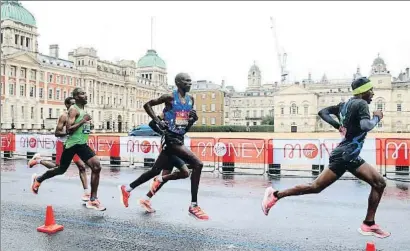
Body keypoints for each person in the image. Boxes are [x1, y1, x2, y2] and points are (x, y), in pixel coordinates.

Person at [261, 77, 390, 238]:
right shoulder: (362, 104)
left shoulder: (345, 105)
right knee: (316, 187)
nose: (373, 93)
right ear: (363, 91)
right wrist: (377, 117)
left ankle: (369, 224)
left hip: (348, 154)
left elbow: (323, 112)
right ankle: (274, 195)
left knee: (378, 183)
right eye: (370, 90)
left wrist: (337, 125)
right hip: (345, 156)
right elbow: (366, 126)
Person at [119, 72, 208, 220]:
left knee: (155, 171)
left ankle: (128, 189)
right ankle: (193, 205)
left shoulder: (190, 100)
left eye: (190, 81)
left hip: (179, 139)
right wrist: (159, 123)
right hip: (170, 141)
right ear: (178, 83)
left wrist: (192, 121)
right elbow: (147, 105)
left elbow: (184, 129)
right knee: (197, 164)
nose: (189, 83)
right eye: (186, 81)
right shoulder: (169, 97)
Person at [31, 88, 106, 211]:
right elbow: (69, 129)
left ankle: (93, 199)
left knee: (96, 166)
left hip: (81, 144)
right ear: (76, 97)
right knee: (60, 169)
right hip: (72, 145)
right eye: (82, 93)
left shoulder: (82, 110)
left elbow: (80, 128)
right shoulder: (73, 109)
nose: (86, 95)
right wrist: (83, 121)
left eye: (85, 93)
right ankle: (39, 178)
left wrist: (86, 125)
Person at [118, 104, 197, 213]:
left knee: (160, 174)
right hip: (169, 148)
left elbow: (182, 132)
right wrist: (163, 132)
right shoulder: (169, 113)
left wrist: (191, 121)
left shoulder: (183, 116)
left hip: (176, 147)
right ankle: (129, 189)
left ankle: (144, 197)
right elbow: (152, 123)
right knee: (184, 172)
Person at [28, 97, 90, 202]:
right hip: (63, 144)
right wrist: (69, 132)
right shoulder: (64, 116)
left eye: (75, 104)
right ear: (66, 105)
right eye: (71, 104)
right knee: (58, 168)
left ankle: (86, 194)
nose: (74, 107)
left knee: (82, 167)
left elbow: (83, 130)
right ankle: (38, 163)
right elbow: (57, 133)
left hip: (75, 144)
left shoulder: (79, 115)